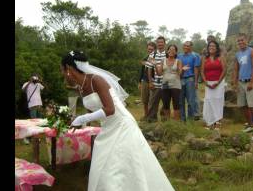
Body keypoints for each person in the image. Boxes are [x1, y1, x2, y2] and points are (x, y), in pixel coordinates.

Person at [63, 50, 174, 191]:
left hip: (122, 124)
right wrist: (80, 122)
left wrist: (82, 118)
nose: (62, 74)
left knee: (118, 168)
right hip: (107, 128)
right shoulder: (81, 86)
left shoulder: (96, 80)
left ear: (68, 69)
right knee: (103, 167)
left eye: (62, 70)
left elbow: (110, 109)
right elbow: (94, 109)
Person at [232, 33, 253, 136]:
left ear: (246, 40)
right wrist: (235, 82)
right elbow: (236, 69)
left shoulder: (252, 52)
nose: (240, 42)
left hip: (250, 82)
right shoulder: (238, 54)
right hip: (241, 82)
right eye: (239, 41)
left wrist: (252, 82)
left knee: (252, 105)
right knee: (242, 105)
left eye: (242, 40)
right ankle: (250, 125)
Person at [201, 40, 226, 130]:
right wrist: (205, 82)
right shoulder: (204, 58)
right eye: (210, 46)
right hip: (208, 83)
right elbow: (202, 71)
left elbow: (224, 70)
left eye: (213, 46)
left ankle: (218, 122)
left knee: (218, 101)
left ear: (217, 48)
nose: (211, 47)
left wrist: (218, 82)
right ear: (208, 48)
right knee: (209, 101)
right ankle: (210, 122)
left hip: (218, 82)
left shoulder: (220, 57)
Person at [157, 44, 182, 120]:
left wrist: (181, 69)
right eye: (170, 49)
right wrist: (155, 65)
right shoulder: (163, 61)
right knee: (166, 103)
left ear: (176, 52)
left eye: (173, 50)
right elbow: (159, 73)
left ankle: (176, 122)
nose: (171, 51)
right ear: (167, 51)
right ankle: (168, 122)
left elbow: (180, 72)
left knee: (176, 104)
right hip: (165, 85)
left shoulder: (178, 61)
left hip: (175, 85)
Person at [146, 36, 167, 122]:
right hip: (155, 83)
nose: (160, 44)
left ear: (164, 43)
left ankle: (165, 121)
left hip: (166, 84)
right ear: (157, 43)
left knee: (166, 103)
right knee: (153, 103)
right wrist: (150, 82)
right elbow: (149, 69)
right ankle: (151, 121)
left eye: (162, 42)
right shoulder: (152, 54)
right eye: (158, 42)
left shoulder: (168, 54)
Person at [178, 41, 200, 122]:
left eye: (188, 46)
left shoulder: (195, 56)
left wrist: (196, 81)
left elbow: (196, 69)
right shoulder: (179, 56)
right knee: (181, 101)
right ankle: (182, 119)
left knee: (191, 101)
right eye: (184, 46)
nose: (186, 47)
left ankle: (190, 119)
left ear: (191, 47)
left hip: (190, 79)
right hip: (180, 79)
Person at [138, 41, 156, 119]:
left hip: (153, 81)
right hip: (144, 80)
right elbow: (142, 71)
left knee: (152, 100)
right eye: (149, 49)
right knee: (145, 100)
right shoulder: (145, 58)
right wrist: (139, 82)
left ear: (154, 49)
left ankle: (151, 116)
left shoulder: (156, 57)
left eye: (151, 49)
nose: (150, 50)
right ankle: (146, 115)